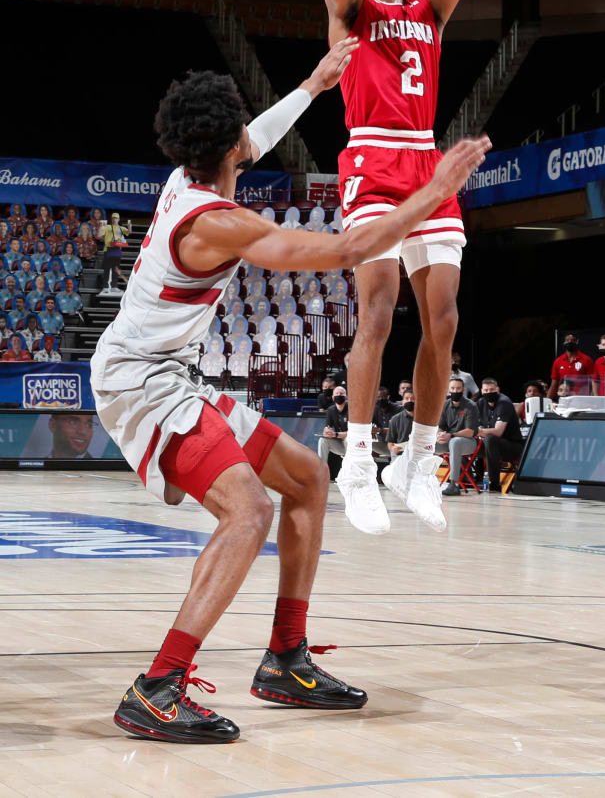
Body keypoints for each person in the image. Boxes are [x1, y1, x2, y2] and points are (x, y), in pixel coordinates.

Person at [89, 38, 491, 743]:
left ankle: (284, 660)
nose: (250, 143)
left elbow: (259, 134)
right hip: (141, 382)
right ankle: (158, 687)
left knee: (306, 478)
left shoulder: (188, 175)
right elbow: (346, 250)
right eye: (241, 139)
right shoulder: (217, 223)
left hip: (169, 373)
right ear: (229, 150)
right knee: (247, 511)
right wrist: (432, 193)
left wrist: (313, 84)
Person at [326, 0, 483, 536]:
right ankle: (359, 463)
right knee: (381, 312)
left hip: (426, 161)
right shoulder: (351, 10)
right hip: (371, 158)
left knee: (443, 320)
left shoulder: (429, 12)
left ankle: (417, 461)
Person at [477, 377, 524, 493]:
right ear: (482, 391)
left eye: (492, 390)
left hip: (512, 445)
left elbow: (498, 432)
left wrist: (478, 431)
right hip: (490, 445)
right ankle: (464, 480)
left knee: (490, 439)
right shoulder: (480, 403)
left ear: (497, 390)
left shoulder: (504, 403)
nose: (489, 393)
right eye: (486, 390)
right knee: (462, 439)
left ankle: (494, 483)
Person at [437, 377, 479, 496]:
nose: (455, 391)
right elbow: (441, 426)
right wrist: (439, 435)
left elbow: (470, 432)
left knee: (454, 442)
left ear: (463, 390)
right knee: (427, 442)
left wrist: (451, 435)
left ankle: (453, 485)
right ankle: (421, 482)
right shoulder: (445, 405)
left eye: (458, 388)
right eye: (453, 388)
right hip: (449, 440)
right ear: (448, 390)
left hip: (469, 442)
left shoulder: (471, 406)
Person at [548, 333, 594, 398]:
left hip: (581, 398)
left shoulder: (587, 360)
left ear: (577, 342)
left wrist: (593, 399)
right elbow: (554, 384)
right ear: (564, 343)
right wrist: (547, 400)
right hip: (563, 397)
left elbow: (593, 382)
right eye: (567, 340)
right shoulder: (558, 361)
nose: (570, 342)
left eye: (573, 340)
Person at [98, 213, 131, 296]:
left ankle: (114, 286)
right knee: (107, 269)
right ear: (111, 219)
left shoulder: (121, 228)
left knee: (115, 269)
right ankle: (105, 286)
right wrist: (101, 227)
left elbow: (128, 232)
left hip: (117, 251)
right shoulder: (107, 227)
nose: (114, 219)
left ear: (118, 219)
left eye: (116, 218)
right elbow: (100, 235)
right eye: (113, 218)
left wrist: (129, 225)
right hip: (108, 249)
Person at [317, 385, 348, 464]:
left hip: (352, 444)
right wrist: (327, 432)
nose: (339, 395)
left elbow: (354, 433)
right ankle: (322, 467)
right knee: (322, 440)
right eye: (337, 393)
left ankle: (349, 465)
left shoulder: (351, 409)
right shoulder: (330, 410)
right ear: (333, 397)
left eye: (341, 393)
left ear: (346, 397)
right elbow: (328, 427)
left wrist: (336, 434)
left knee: (348, 438)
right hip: (339, 443)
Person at [386, 388, 416, 456]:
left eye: (413, 398)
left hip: (419, 453)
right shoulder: (395, 419)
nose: (409, 401)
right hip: (401, 453)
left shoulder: (424, 418)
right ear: (402, 401)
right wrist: (392, 448)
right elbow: (390, 442)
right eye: (406, 398)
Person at [371, 386, 399, 458]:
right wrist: (370, 430)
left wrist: (380, 430)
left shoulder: (398, 409)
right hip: (383, 442)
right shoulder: (374, 409)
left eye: (383, 397)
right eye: (378, 397)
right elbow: (367, 424)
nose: (380, 399)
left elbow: (399, 430)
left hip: (397, 443)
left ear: (388, 397)